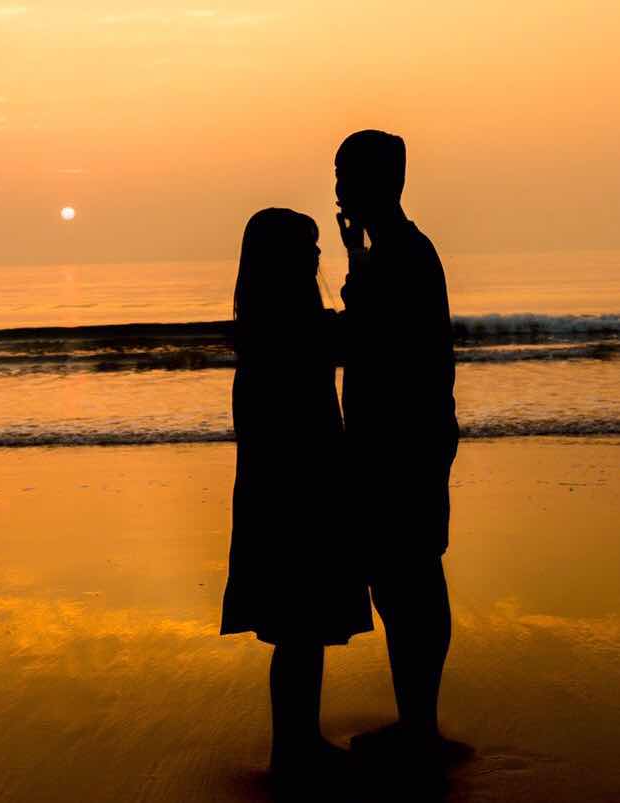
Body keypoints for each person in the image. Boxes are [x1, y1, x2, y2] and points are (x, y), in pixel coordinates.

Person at [219, 208, 373, 777]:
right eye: (309, 246)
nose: (316, 255)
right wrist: (358, 256)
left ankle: (297, 741)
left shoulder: (262, 328)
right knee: (301, 630)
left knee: (296, 632)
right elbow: (357, 332)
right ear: (284, 261)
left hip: (275, 495)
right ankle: (295, 747)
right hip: (298, 496)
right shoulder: (293, 329)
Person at [334, 130, 459, 756]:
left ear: (379, 182)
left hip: (401, 443)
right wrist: (357, 256)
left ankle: (419, 726)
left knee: (408, 581)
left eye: (345, 174)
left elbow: (366, 341)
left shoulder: (402, 255)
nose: (337, 188)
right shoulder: (396, 251)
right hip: (406, 437)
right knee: (404, 579)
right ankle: (417, 721)